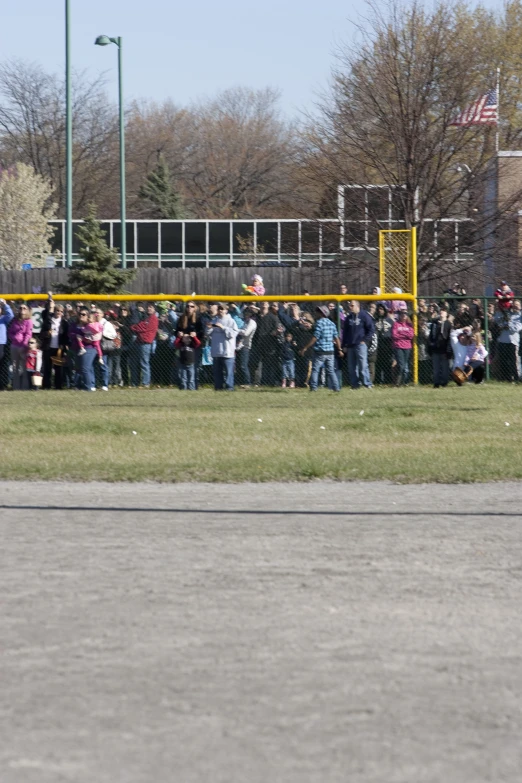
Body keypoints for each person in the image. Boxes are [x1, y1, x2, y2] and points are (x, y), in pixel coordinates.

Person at [300, 305, 341, 392]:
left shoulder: (319, 323)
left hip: (320, 351)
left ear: (322, 313)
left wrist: (305, 348)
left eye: (319, 312)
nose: (317, 313)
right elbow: (336, 337)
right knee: (331, 371)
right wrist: (339, 349)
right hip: (330, 352)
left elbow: (315, 337)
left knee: (315, 370)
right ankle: (336, 388)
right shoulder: (331, 323)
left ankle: (313, 388)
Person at [341, 300, 375, 389]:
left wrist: (364, 340)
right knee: (351, 367)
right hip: (350, 345)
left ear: (357, 306)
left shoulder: (364, 316)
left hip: (360, 345)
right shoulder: (348, 318)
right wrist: (344, 345)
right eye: (349, 306)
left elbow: (371, 329)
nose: (350, 307)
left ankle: (367, 384)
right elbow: (345, 333)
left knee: (363, 366)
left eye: (352, 305)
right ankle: (355, 385)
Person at [40, 295, 68, 390]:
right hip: (48, 347)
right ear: (54, 311)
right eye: (57, 310)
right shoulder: (48, 320)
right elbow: (42, 332)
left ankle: (58, 386)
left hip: (59, 348)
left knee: (58, 368)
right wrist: (47, 333)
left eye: (61, 311)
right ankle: (46, 386)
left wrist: (65, 346)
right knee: (47, 367)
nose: (59, 313)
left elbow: (65, 336)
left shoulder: (64, 323)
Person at [208, 303, 238, 391]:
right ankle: (218, 388)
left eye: (222, 309)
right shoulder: (214, 320)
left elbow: (233, 334)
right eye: (219, 309)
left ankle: (229, 387)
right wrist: (210, 327)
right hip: (216, 351)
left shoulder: (231, 321)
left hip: (227, 351)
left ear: (226, 310)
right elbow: (207, 333)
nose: (220, 310)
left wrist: (223, 327)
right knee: (217, 372)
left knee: (229, 372)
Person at [130, 304, 159, 388]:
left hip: (145, 344)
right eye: (148, 307)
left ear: (154, 310)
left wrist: (134, 327)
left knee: (144, 363)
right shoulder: (147, 318)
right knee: (136, 363)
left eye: (151, 307)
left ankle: (145, 383)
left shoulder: (153, 319)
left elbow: (143, 328)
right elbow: (141, 325)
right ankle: (135, 382)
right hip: (139, 342)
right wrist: (136, 327)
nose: (149, 308)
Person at [492, 305, 522, 382]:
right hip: (502, 341)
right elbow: (498, 322)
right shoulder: (506, 314)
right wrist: (500, 310)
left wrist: (508, 324)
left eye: (517, 306)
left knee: (514, 361)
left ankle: (517, 378)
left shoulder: (519, 316)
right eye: (514, 306)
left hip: (513, 341)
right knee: (503, 360)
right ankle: (506, 378)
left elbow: (516, 329)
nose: (515, 308)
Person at [8, 303, 33, 390]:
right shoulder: (15, 320)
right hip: (14, 346)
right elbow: (10, 332)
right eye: (20, 308)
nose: (22, 309)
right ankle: (16, 387)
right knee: (15, 367)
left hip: (23, 347)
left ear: (27, 310)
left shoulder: (29, 321)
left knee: (24, 368)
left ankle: (25, 387)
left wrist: (24, 345)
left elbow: (28, 334)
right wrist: (13, 337)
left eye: (24, 308)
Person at [428, 307, 452, 387]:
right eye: (441, 311)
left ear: (446, 314)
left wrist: (448, 350)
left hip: (444, 349)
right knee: (436, 368)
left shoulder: (448, 324)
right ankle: (436, 383)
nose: (442, 312)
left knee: (445, 368)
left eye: (444, 311)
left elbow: (449, 338)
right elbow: (431, 336)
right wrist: (431, 346)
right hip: (435, 349)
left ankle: (444, 382)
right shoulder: (434, 324)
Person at [391, 311, 414, 385]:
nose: (404, 315)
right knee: (401, 365)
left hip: (407, 347)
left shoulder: (409, 325)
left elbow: (411, 335)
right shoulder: (396, 324)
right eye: (402, 314)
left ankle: (403, 382)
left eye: (405, 314)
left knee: (404, 365)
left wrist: (401, 334)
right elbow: (394, 335)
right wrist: (405, 335)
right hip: (398, 346)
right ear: (399, 315)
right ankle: (398, 382)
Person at [236, 308, 257, 388]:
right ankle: (240, 382)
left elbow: (246, 333)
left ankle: (247, 382)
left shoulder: (252, 323)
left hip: (246, 346)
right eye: (245, 313)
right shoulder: (245, 322)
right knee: (238, 365)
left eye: (247, 313)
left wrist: (236, 330)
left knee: (243, 365)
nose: (245, 315)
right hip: (239, 345)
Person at [374, 303, 394, 384]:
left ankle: (387, 381)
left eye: (381, 309)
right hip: (377, 345)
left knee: (387, 364)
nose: (380, 310)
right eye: (378, 309)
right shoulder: (374, 320)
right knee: (378, 364)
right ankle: (377, 381)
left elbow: (393, 332)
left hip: (387, 344)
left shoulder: (389, 320)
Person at [0, 298, 14, 391]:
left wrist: (5, 305)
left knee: (3, 365)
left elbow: (11, 315)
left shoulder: (3, 318)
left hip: (2, 344)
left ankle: (2, 385)